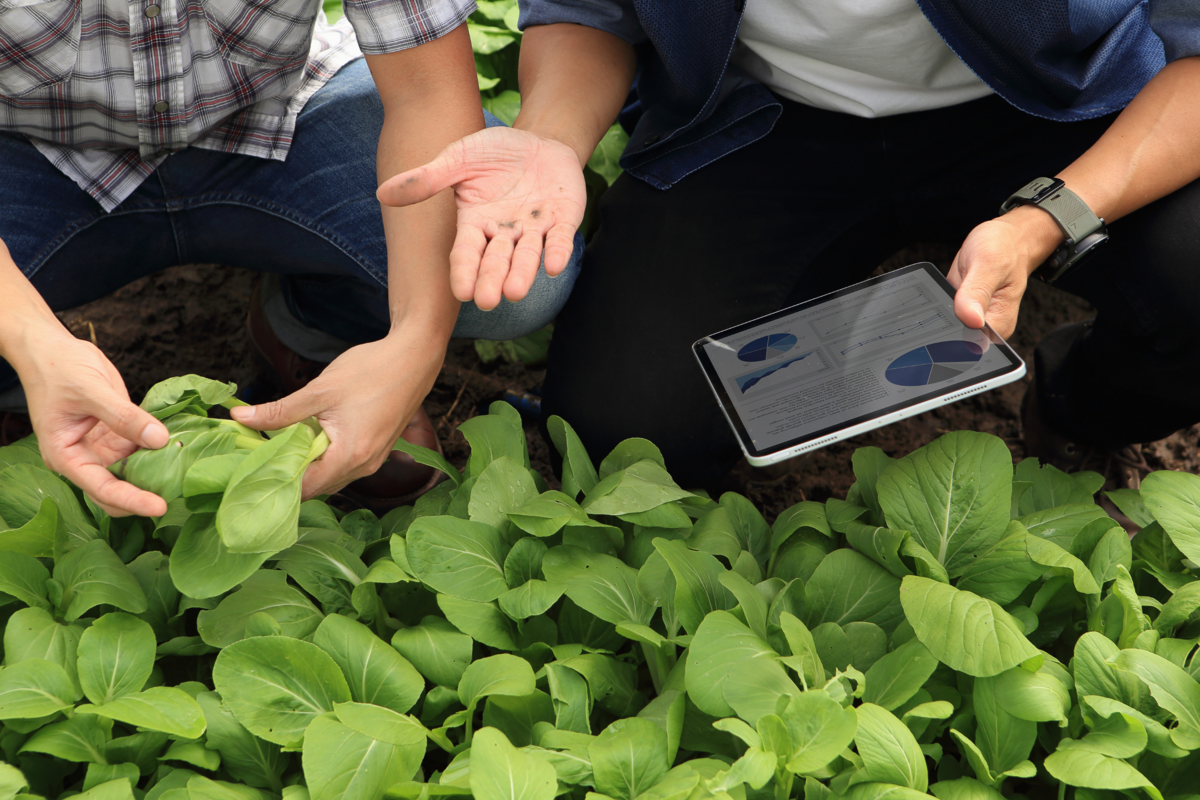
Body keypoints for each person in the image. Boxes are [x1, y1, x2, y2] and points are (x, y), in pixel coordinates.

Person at [379, 0, 1200, 488]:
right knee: (632, 432)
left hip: (1049, 107)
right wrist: (551, 136)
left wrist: (1043, 217)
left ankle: (1078, 400)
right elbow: (590, 13)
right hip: (767, 118)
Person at [0, 0, 582, 516]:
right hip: (30, 152)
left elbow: (425, 91)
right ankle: (29, 381)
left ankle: (313, 329)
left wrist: (414, 342)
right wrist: (28, 339)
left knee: (507, 269)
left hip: (276, 117)